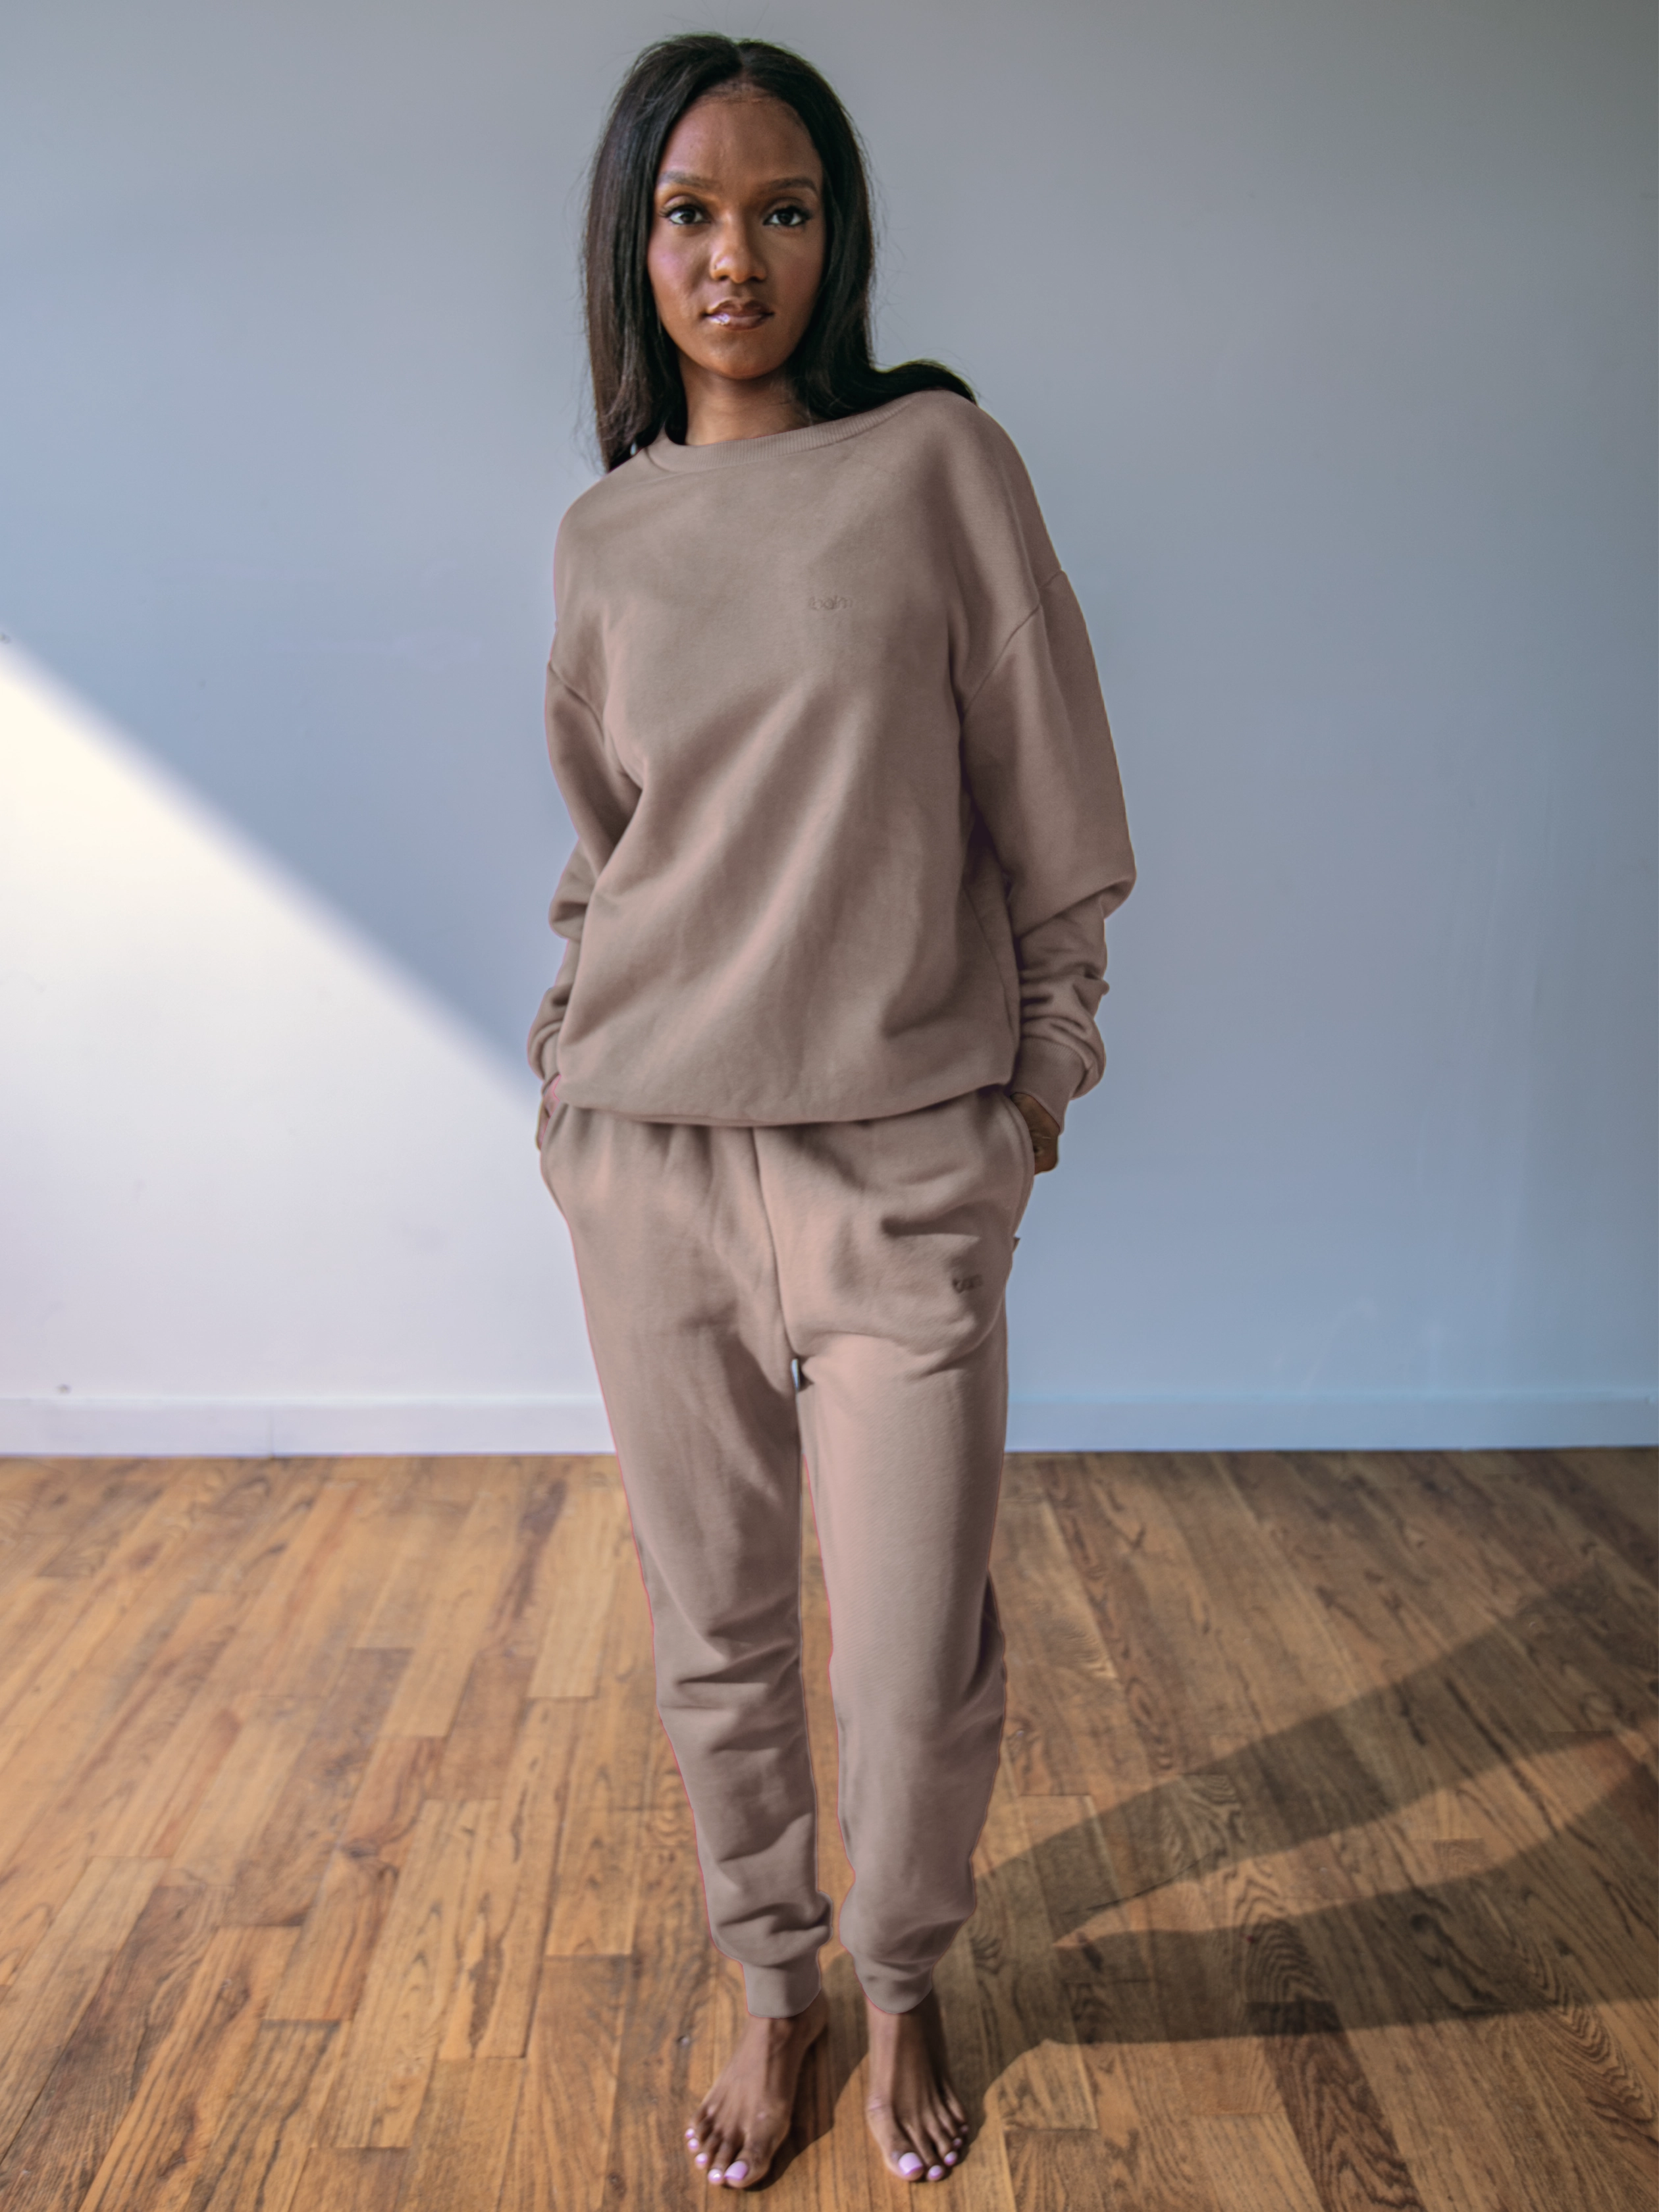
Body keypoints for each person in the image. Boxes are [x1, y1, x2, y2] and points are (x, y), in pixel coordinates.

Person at [528, 32, 1135, 2190]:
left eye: (780, 212)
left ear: (837, 237)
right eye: (689, 215)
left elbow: (1057, 818)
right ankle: (774, 1991)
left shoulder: (942, 466)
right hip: (652, 1161)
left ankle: (903, 1974)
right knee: (714, 1633)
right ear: (632, 250)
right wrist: (565, 1065)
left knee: (911, 1655)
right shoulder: (607, 535)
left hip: (903, 1165)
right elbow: (612, 848)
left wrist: (1031, 1094)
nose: (735, 258)